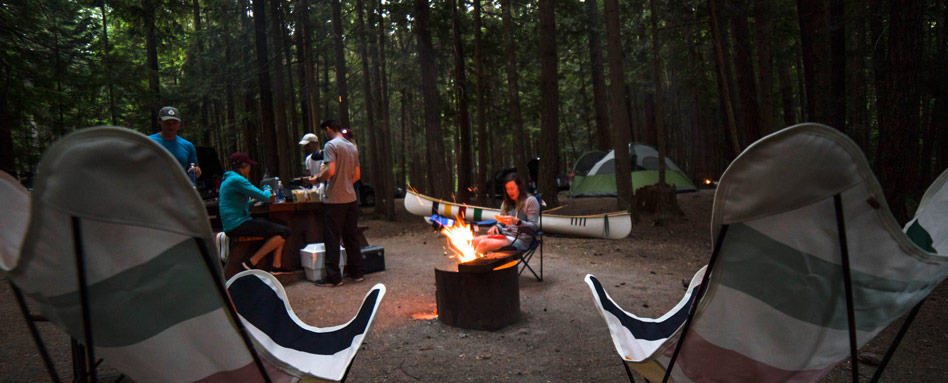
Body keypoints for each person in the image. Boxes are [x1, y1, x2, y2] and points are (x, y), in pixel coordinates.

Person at [308, 119, 362, 287]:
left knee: (332, 238)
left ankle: (334, 277)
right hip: (351, 198)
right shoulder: (352, 146)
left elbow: (330, 170)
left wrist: (317, 179)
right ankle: (357, 272)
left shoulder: (331, 145)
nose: (325, 135)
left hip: (335, 200)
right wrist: (346, 183)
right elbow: (357, 175)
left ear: (328, 129)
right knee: (351, 236)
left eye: (324, 132)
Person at [219, 152, 291, 274]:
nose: (250, 169)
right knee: (284, 231)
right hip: (237, 224)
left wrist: (252, 202)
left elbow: (240, 204)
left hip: (232, 223)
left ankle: (276, 266)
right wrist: (268, 189)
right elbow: (266, 197)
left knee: (279, 226)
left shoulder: (228, 179)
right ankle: (251, 262)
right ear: (244, 166)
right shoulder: (237, 180)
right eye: (249, 166)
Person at [471, 173, 540, 254]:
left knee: (483, 244)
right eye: (507, 189)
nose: (510, 192)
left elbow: (533, 228)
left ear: (519, 187)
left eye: (512, 188)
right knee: (475, 241)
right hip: (504, 236)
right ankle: (480, 265)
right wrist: (496, 227)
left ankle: (477, 265)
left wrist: (517, 222)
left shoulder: (530, 201)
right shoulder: (506, 203)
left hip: (520, 240)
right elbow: (501, 224)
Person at [149, 106, 201, 180]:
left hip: (179, 188)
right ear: (159, 121)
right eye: (168, 123)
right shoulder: (149, 142)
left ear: (179, 124)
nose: (171, 126)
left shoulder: (188, 146)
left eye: (175, 123)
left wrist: (196, 170)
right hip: (155, 187)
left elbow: (195, 168)